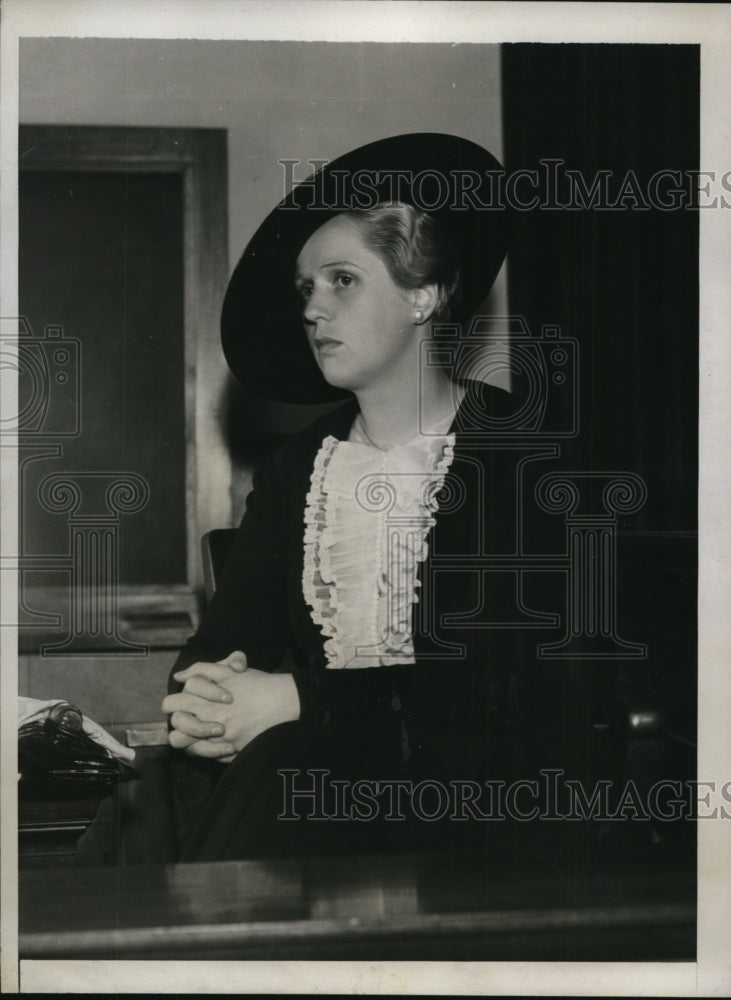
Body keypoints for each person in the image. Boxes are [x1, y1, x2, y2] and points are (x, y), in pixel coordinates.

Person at [162, 134, 596, 862]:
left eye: (341, 280)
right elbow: (215, 650)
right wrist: (205, 704)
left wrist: (296, 700)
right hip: (318, 788)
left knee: (286, 768)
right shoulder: (300, 469)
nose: (312, 309)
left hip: (495, 798)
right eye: (305, 288)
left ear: (423, 295)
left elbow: (495, 686)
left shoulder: (521, 452)